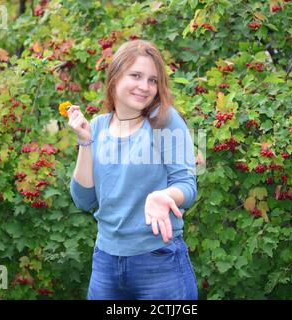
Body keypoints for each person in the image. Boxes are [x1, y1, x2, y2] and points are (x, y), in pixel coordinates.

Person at [68, 39, 198, 300]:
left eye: (152, 80)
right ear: (115, 77)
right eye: (136, 75)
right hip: (106, 264)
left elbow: (187, 185)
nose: (145, 86)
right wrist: (85, 141)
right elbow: (84, 200)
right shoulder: (98, 126)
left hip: (159, 262)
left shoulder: (164, 120)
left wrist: (164, 196)